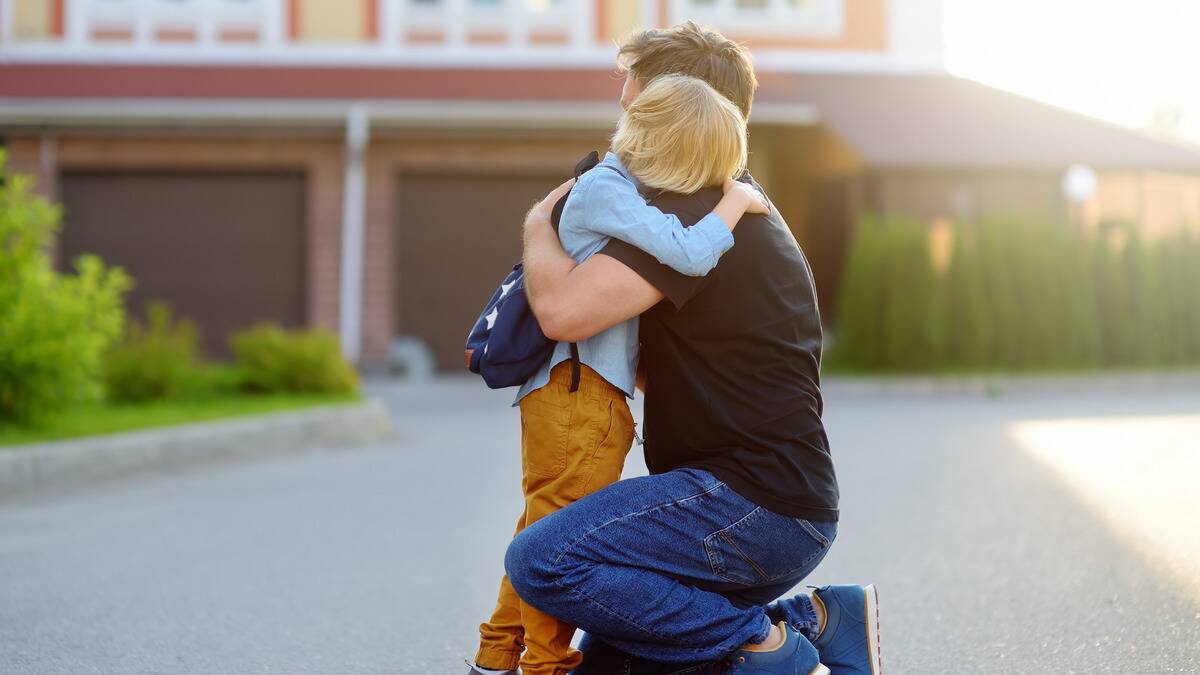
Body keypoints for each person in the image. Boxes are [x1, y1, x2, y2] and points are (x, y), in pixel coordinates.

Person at [505, 22, 882, 675]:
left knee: (543, 560)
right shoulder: (724, 206)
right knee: (614, 666)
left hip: (748, 506)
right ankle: (824, 622)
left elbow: (562, 310)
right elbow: (670, 370)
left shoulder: (691, 213)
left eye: (637, 89)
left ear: (686, 103)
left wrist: (538, 226)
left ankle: (773, 649)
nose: (624, 103)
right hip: (772, 507)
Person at [469, 74, 772, 675]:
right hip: (576, 394)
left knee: (543, 525)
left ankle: (496, 657)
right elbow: (687, 251)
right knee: (556, 541)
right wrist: (734, 202)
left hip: (581, 393)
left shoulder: (610, 189)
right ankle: (545, 667)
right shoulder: (607, 190)